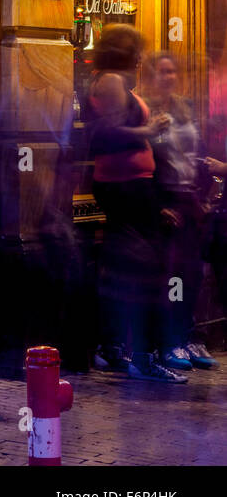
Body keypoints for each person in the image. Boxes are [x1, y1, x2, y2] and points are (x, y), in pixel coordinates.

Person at [85, 24, 183, 383]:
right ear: (124, 50)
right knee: (148, 271)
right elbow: (104, 134)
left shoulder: (113, 80)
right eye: (137, 49)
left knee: (137, 269)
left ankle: (122, 349)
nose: (142, 56)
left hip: (131, 186)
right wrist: (148, 130)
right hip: (124, 186)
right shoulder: (110, 80)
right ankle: (141, 355)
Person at [143, 51, 218, 370]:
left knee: (192, 274)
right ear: (150, 76)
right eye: (162, 72)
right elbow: (145, 163)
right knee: (169, 275)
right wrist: (157, 205)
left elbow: (196, 152)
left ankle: (187, 336)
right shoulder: (144, 112)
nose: (169, 77)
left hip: (190, 198)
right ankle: (168, 342)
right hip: (166, 198)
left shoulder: (184, 106)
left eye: (173, 72)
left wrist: (203, 193)